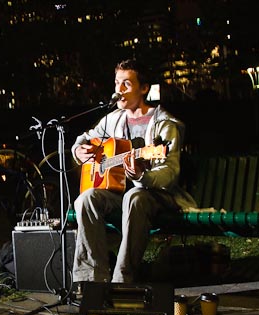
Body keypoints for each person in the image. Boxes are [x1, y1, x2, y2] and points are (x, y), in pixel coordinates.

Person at [71, 59, 196, 284]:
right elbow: (85, 138)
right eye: (117, 83)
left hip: (158, 195)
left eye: (126, 84)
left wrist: (141, 176)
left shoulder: (164, 124)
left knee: (134, 196)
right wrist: (78, 150)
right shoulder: (113, 119)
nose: (119, 90)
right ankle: (91, 281)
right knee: (86, 199)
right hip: (121, 194)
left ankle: (122, 280)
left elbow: (170, 173)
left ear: (144, 88)